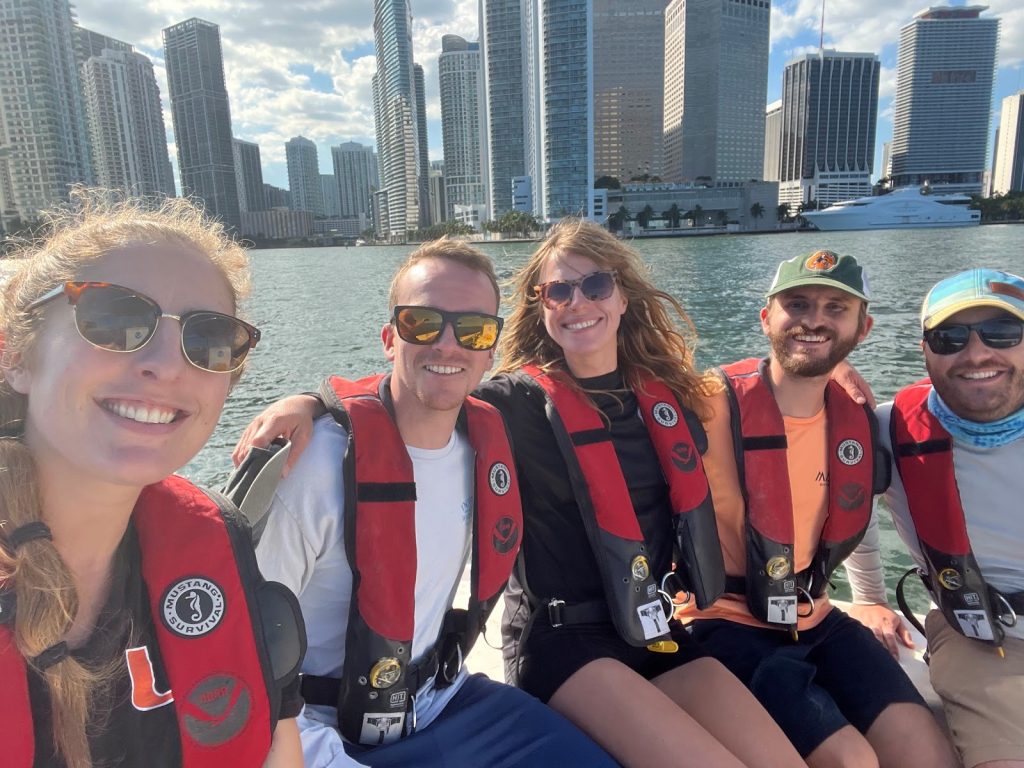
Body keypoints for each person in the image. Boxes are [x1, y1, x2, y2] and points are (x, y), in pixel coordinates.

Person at [236, 223, 808, 768]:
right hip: (562, 637)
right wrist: (310, 402)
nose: (577, 301)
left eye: (595, 284)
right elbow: (417, 391)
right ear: (541, 306)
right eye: (558, 290)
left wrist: (835, 379)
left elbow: (756, 395)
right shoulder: (511, 406)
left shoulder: (670, 400)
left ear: (622, 296)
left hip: (652, 627)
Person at [245, 239, 619, 767]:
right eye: (423, 323)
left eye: (473, 329)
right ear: (389, 339)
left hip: (441, 700)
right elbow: (245, 659)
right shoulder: (315, 466)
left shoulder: (489, 443)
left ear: (490, 350)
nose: (449, 345)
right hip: (321, 726)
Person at [0, 192, 304, 768]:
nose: (166, 364)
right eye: (113, 319)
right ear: (15, 354)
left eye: (210, 338)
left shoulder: (217, 541)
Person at [678, 250, 957, 768]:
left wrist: (870, 597)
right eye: (798, 304)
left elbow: (853, 508)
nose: (814, 319)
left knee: (926, 750)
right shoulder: (706, 401)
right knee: (849, 759)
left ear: (862, 328)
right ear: (767, 319)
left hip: (819, 617)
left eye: (836, 309)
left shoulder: (858, 422)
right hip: (721, 621)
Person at [846, 268, 1024, 768]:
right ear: (925, 350)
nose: (976, 353)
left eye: (1002, 333)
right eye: (949, 338)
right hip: (989, 644)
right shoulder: (889, 430)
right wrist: (868, 597)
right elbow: (846, 506)